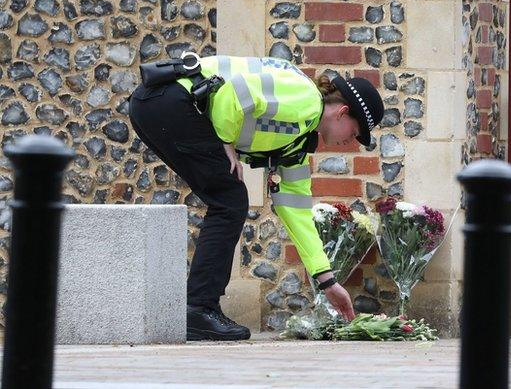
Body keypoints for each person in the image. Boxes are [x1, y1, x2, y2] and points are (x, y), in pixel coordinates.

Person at [128, 53, 384, 341]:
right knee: (230, 198)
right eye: (354, 133)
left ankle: (199, 308)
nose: (349, 143)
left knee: (228, 198)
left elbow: (296, 211)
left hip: (156, 105)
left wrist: (328, 282)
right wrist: (225, 139)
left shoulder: (297, 142)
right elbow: (239, 92)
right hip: (170, 100)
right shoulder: (306, 100)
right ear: (342, 112)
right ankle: (198, 309)